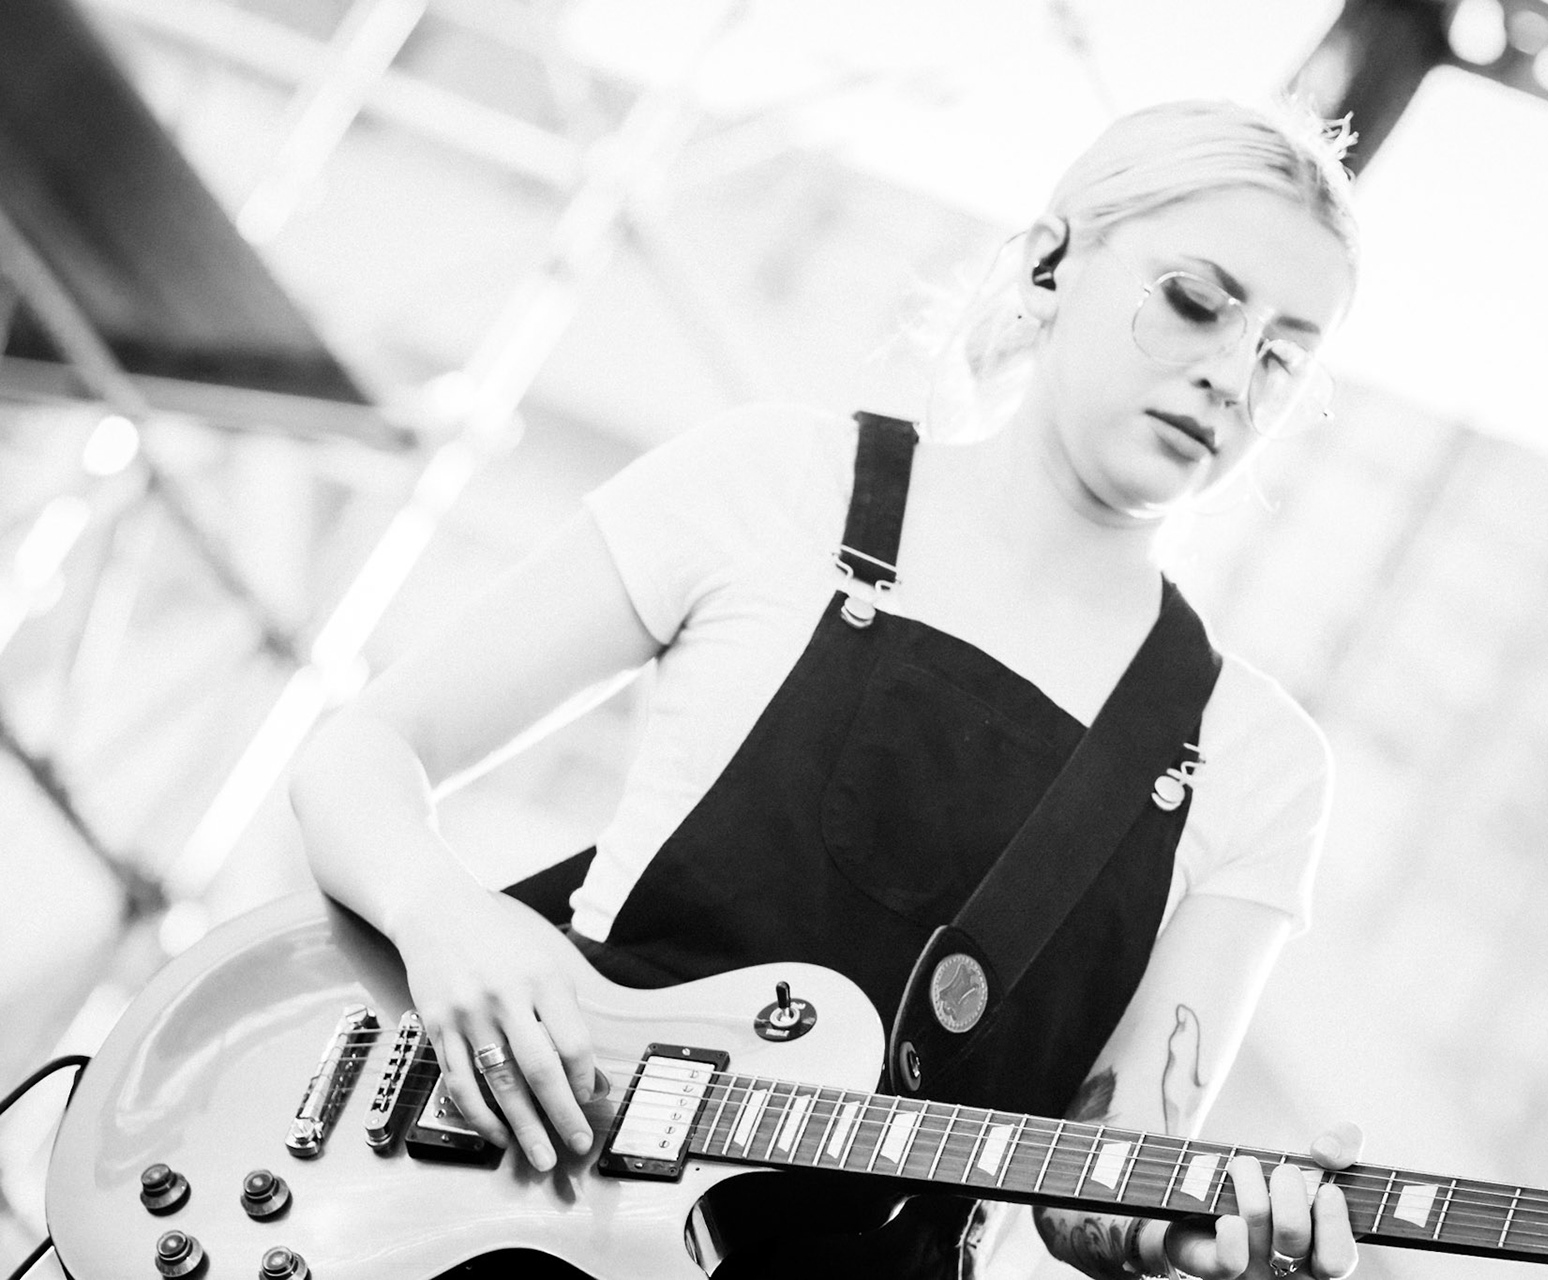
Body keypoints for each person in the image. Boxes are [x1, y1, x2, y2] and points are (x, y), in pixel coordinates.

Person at [290, 97, 1364, 1280]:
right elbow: (363, 751)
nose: (1228, 373)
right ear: (1052, 259)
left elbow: (1103, 1183)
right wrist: (447, 918)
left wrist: (1195, 1236)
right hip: (495, 1232)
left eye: (1282, 357)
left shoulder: (1261, 761)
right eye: (1197, 301)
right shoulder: (774, 482)